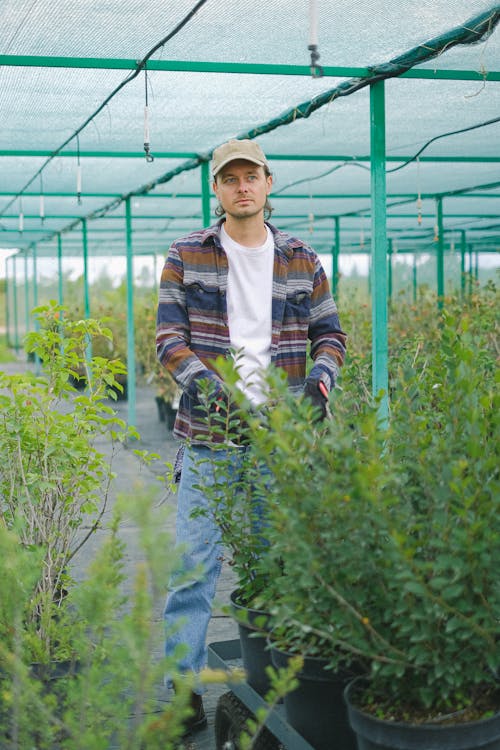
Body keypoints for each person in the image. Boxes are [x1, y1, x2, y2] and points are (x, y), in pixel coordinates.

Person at [156, 138, 347, 732]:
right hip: (210, 437)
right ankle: (184, 688)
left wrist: (321, 383)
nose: (242, 186)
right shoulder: (186, 255)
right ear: (217, 189)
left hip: (281, 439)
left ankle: (273, 678)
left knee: (274, 565)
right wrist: (209, 388)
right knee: (193, 567)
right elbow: (168, 339)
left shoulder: (302, 259)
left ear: (269, 183)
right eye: (230, 178)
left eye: (251, 176)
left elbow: (331, 335)